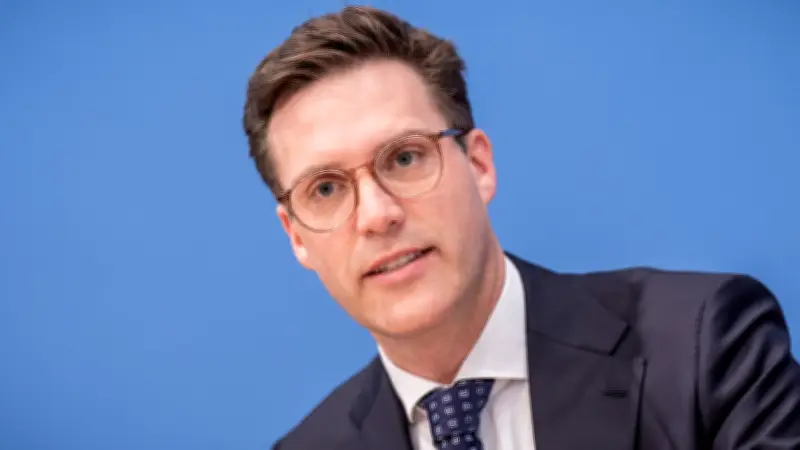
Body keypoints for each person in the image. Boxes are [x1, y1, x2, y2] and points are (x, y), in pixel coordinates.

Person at [241, 6, 800, 450]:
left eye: (405, 158)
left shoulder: (703, 347)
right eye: (326, 189)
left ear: (479, 165)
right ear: (296, 236)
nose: (376, 215)